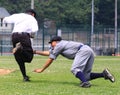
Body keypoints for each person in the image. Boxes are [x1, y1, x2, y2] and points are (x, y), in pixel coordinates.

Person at [33, 36, 115, 88]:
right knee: (85, 75)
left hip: (83, 51)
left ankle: (85, 83)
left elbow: (51, 58)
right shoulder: (60, 46)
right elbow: (49, 53)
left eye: (51, 43)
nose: (51, 45)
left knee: (75, 69)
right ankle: (103, 74)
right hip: (88, 50)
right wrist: (35, 52)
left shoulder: (59, 45)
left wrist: (42, 69)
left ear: (56, 41)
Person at [3, 9, 39, 82]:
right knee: (29, 57)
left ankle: (25, 77)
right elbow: (35, 30)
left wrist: (4, 22)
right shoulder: (32, 18)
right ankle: (20, 48)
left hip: (14, 36)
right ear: (33, 14)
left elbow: (5, 19)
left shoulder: (18, 15)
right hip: (24, 36)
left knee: (19, 58)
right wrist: (32, 36)